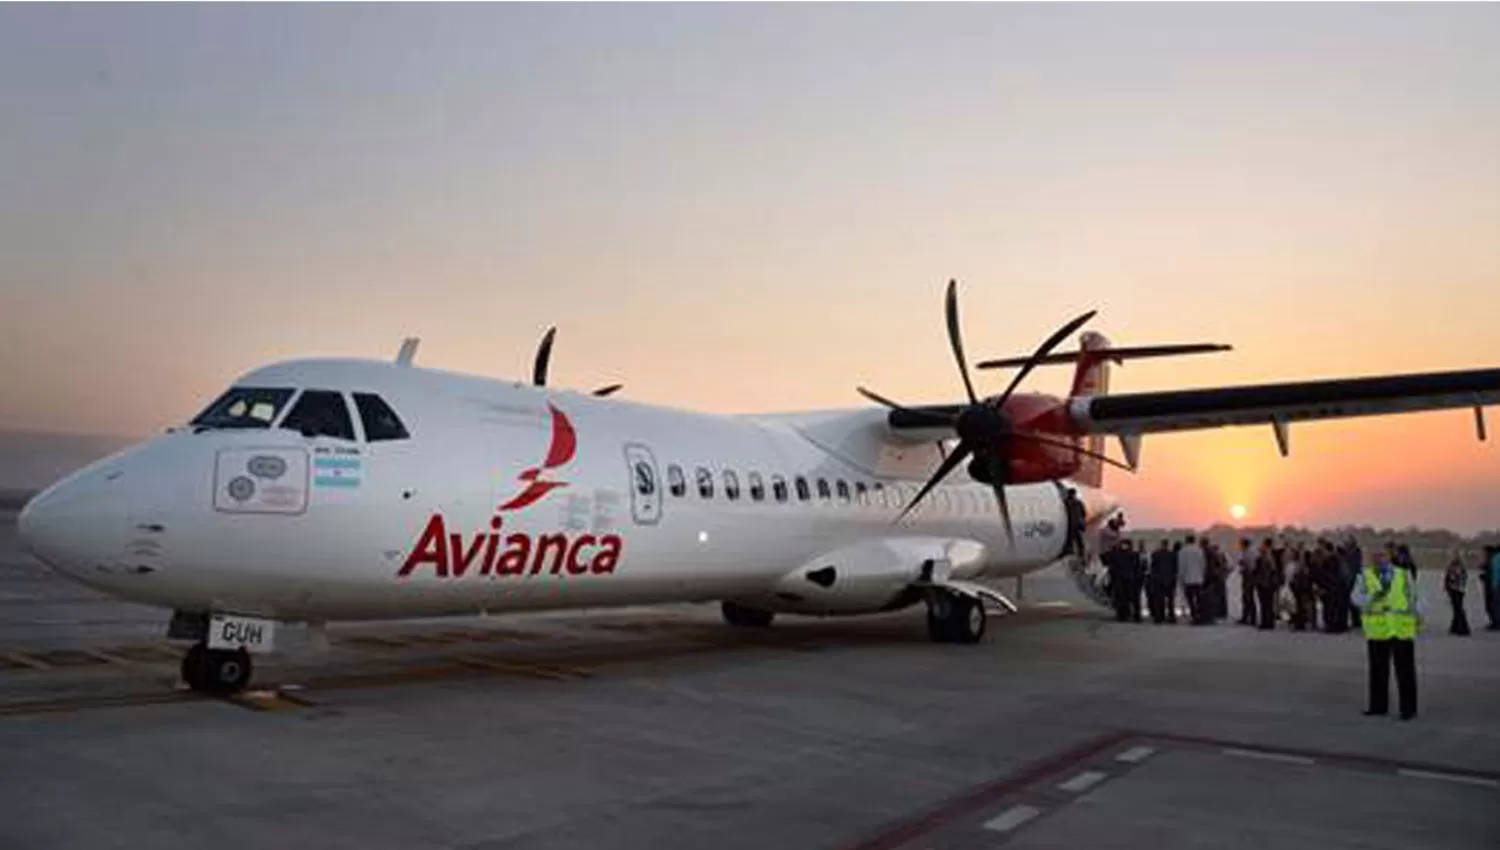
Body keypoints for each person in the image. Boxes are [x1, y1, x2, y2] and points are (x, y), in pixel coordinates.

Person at [1351, 548, 1420, 720]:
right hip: (1378, 631)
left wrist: (1418, 619)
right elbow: (1355, 598)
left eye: (1382, 555)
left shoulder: (1403, 575)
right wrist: (1371, 598)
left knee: (1405, 672)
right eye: (1375, 556)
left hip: (1400, 629)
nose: (1379, 559)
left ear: (1390, 557)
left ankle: (1408, 709)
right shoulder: (1365, 576)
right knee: (1377, 672)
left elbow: (1415, 597)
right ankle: (1378, 706)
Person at [1254, 538, 1283, 630]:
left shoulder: (1267, 557)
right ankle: (1268, 621)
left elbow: (1267, 571)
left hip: (1266, 583)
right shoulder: (1273, 555)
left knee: (1266, 604)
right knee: (1268, 604)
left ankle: (1267, 622)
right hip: (1269, 583)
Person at [1179, 534, 1207, 625]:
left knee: (1190, 600)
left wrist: (1181, 579)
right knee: (1199, 599)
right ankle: (1201, 616)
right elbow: (1203, 565)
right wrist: (1202, 576)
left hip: (1188, 579)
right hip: (1198, 579)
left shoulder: (1183, 551)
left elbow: (1181, 566)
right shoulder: (1199, 551)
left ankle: (1194, 617)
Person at [1147, 539, 1177, 624]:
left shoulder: (1155, 554)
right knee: (1170, 600)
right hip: (1169, 579)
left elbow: (1152, 567)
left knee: (1159, 599)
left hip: (1158, 579)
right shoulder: (1172, 554)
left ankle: (1159, 616)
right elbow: (1175, 567)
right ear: (1167, 545)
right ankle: (1171, 617)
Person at [1288, 544, 1315, 631]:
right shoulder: (1300, 565)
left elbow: (1301, 576)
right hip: (1300, 587)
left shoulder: (1302, 566)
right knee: (1300, 605)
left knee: (1301, 605)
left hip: (1301, 587)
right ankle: (1301, 622)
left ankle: (1301, 623)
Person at [1443, 550, 1470, 636]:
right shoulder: (1454, 566)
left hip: (1457, 589)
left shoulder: (1458, 567)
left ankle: (1463, 628)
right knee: (1456, 608)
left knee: (1458, 608)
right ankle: (1456, 627)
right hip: (1455, 589)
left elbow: (1456, 577)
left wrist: (1450, 582)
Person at [1237, 538, 1257, 625]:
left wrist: (1242, 565)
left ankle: (1250, 617)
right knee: (1247, 597)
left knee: (1248, 597)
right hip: (1248, 576)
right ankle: (1247, 616)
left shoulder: (1247, 553)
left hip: (1248, 577)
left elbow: (1249, 565)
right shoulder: (1249, 552)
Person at [1063, 487, 1086, 557]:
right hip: (1076, 523)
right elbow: (1083, 513)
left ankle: (1071, 549)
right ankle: (1080, 552)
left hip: (1070, 523)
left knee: (1070, 537)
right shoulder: (1078, 502)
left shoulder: (1066, 502)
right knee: (1078, 538)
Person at [1484, 545, 1500, 631]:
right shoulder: (1493, 559)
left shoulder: (1495, 559)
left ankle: (1497, 623)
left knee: (1495, 604)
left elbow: (1495, 572)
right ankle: (1495, 622)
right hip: (1494, 584)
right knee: (1494, 604)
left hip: (1496, 584)